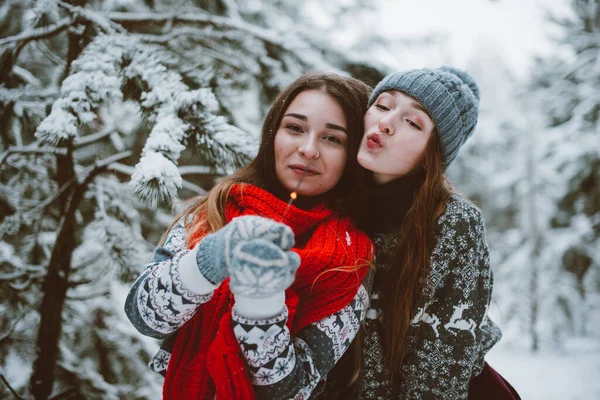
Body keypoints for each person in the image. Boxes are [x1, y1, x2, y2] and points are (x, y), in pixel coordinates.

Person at [124, 72, 375, 399]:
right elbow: (144, 317)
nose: (308, 149)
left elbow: (285, 388)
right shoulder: (215, 209)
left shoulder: (350, 258)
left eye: (332, 139)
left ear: (353, 153)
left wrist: (262, 300)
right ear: (273, 133)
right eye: (295, 128)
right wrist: (208, 261)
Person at [318, 67, 519, 399]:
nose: (386, 123)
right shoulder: (333, 201)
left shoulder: (453, 222)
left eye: (413, 123)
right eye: (383, 105)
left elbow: (437, 371)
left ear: (431, 156)